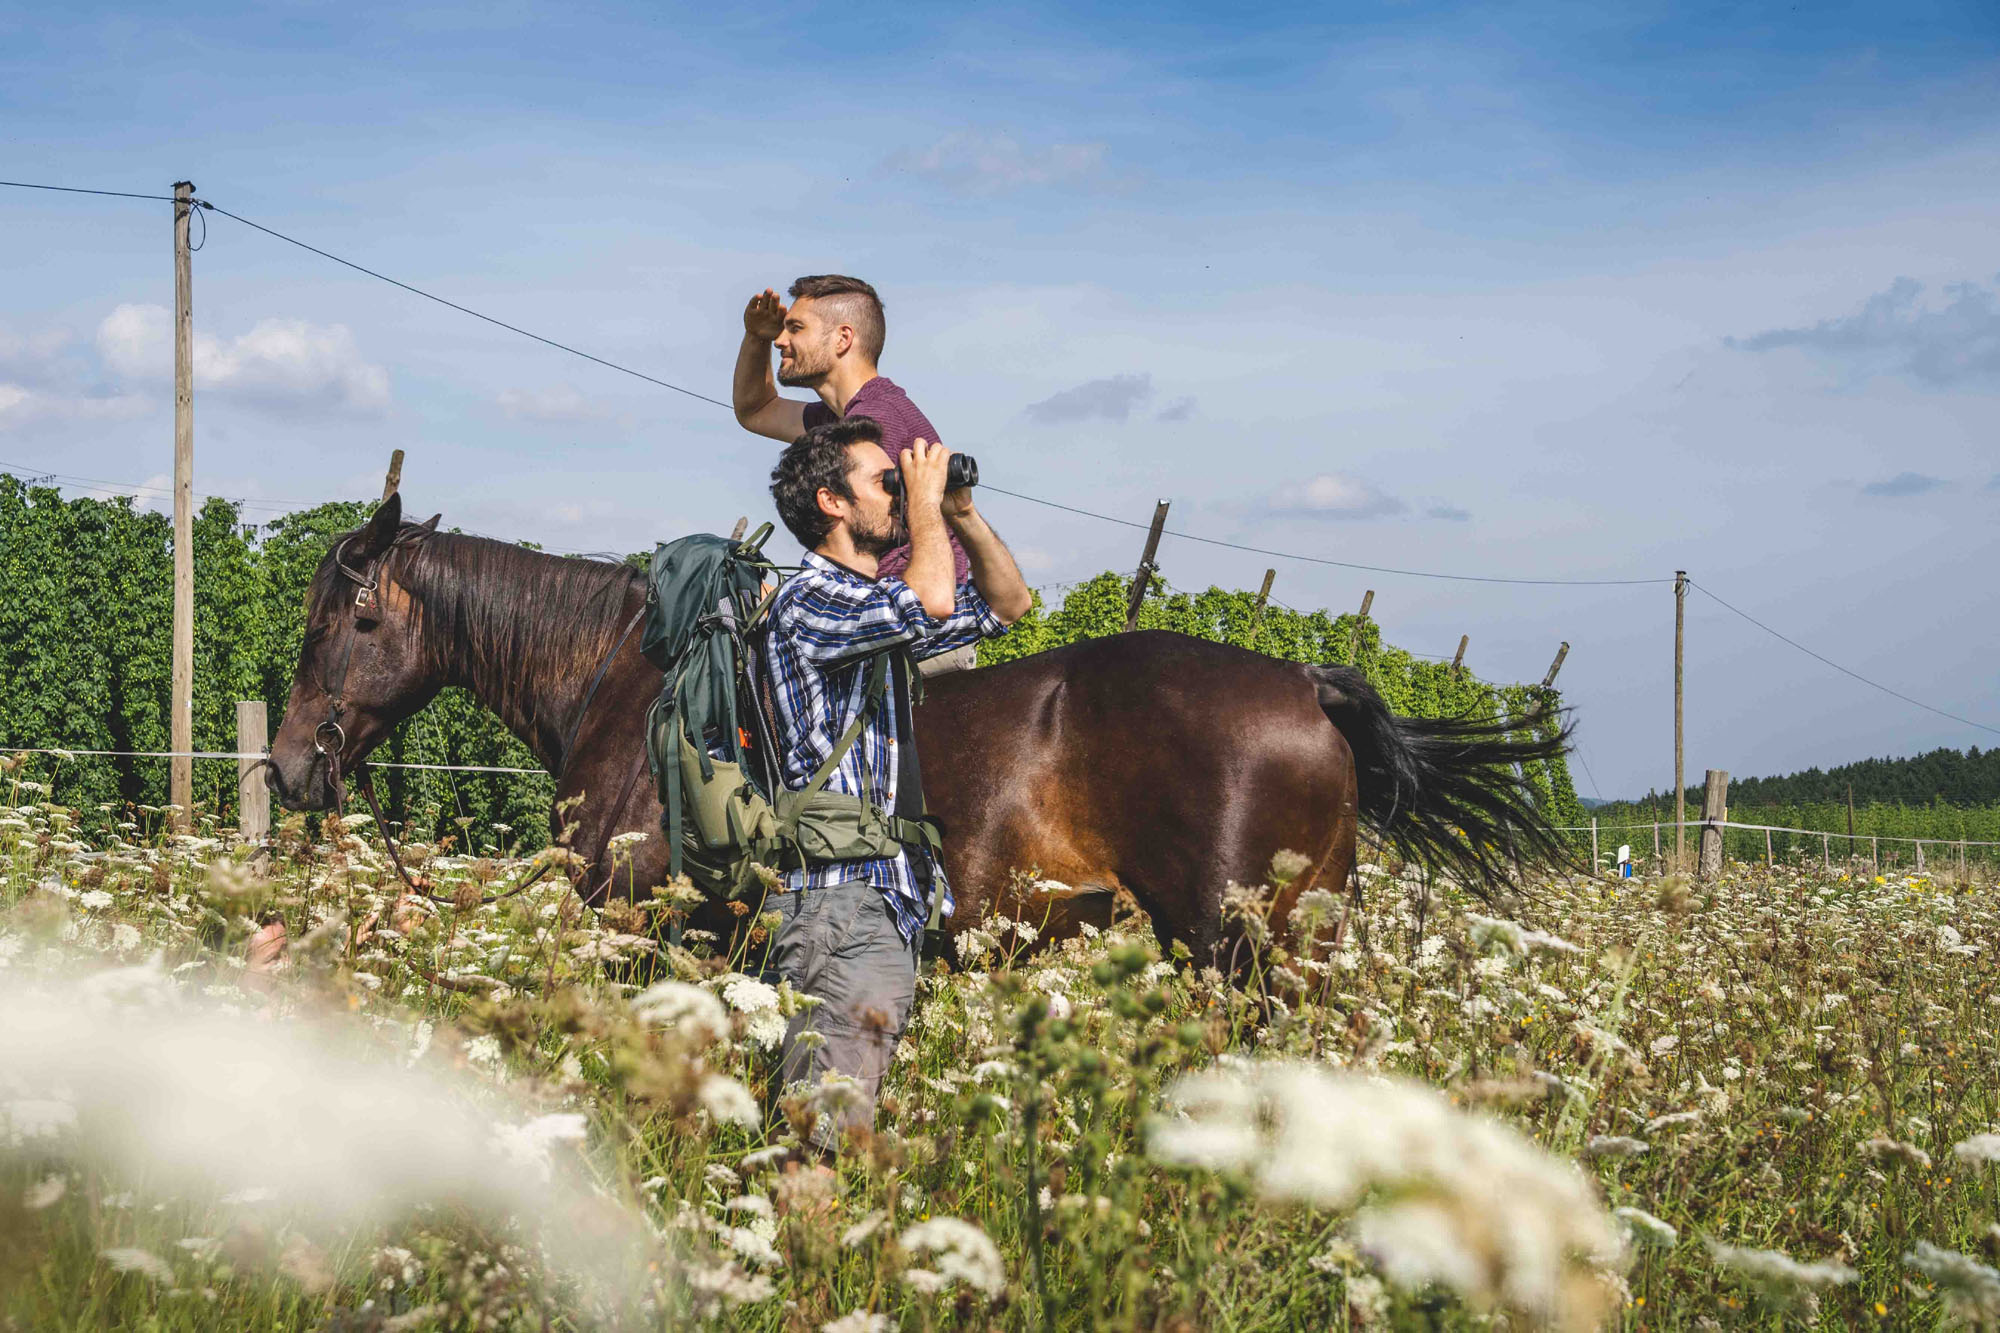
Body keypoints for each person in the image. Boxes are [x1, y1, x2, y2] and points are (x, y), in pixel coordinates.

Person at [762, 418, 1030, 1151]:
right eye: (882, 480)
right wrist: (922, 500)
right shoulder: (811, 603)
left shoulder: (871, 613)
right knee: (823, 1141)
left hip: (886, 902)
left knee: (834, 1131)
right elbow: (934, 600)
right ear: (832, 502)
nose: (899, 488)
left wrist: (960, 512)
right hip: (841, 906)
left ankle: (807, 1253)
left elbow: (1007, 605)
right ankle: (805, 1258)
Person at [734, 274, 978, 674]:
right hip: (901, 621)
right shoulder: (844, 418)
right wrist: (755, 337)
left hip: (914, 632)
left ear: (842, 339)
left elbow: (856, 540)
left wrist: (789, 599)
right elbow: (755, 410)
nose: (781, 340)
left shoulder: (873, 423)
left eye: (795, 328)